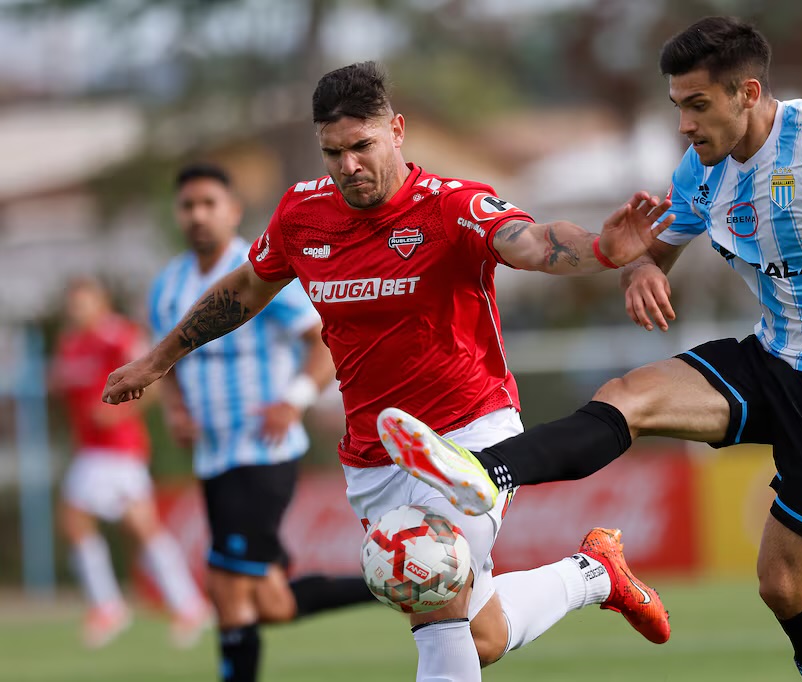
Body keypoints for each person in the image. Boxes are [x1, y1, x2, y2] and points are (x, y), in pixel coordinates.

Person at [375, 17, 802, 682]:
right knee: (626, 398)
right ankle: (486, 471)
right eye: (677, 108)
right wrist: (644, 269)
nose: (685, 125)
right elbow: (656, 245)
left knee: (782, 586)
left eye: (697, 106)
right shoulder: (701, 172)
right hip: (772, 359)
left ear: (746, 93)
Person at [103, 62, 674, 682]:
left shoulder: (451, 206)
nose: (348, 165)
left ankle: (586, 573)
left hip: (470, 437)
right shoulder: (302, 214)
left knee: (434, 601)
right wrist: (157, 360)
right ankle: (591, 574)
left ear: (396, 131)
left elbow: (530, 241)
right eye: (333, 152)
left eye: (361, 146)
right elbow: (244, 288)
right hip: (373, 457)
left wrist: (599, 249)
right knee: (477, 633)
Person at [146, 163, 378, 682]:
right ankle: (393, 580)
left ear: (232, 212)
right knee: (268, 600)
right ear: (178, 215)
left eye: (210, 204)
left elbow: (321, 341)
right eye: (188, 206)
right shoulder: (168, 286)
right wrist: (176, 409)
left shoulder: (258, 273)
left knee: (225, 584)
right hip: (214, 456)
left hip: (264, 452)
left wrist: (293, 400)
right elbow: (166, 360)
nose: (198, 215)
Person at [50, 277, 209, 649]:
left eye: (84, 302)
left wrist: (121, 415)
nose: (78, 311)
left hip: (119, 449)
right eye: (73, 304)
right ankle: (119, 605)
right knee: (80, 523)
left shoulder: (118, 336)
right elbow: (67, 392)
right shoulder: (70, 344)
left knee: (138, 526)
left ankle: (181, 605)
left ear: (101, 302)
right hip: (90, 452)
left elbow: (151, 382)